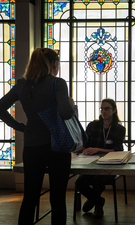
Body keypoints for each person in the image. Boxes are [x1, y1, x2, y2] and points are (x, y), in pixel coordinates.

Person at [0, 48, 75, 225]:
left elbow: (0, 107)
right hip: (57, 146)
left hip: (33, 146)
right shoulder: (57, 83)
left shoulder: (22, 85)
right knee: (57, 198)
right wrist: (71, 105)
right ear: (54, 64)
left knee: (30, 197)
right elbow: (66, 113)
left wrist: (20, 127)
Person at [75, 98, 125, 218]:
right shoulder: (93, 126)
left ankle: (96, 205)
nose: (103, 111)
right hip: (91, 163)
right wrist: (77, 149)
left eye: (106, 108)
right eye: (102, 109)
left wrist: (98, 150)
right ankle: (98, 201)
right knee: (79, 182)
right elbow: (85, 145)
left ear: (113, 110)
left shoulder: (119, 129)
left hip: (110, 164)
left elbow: (117, 150)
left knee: (98, 180)